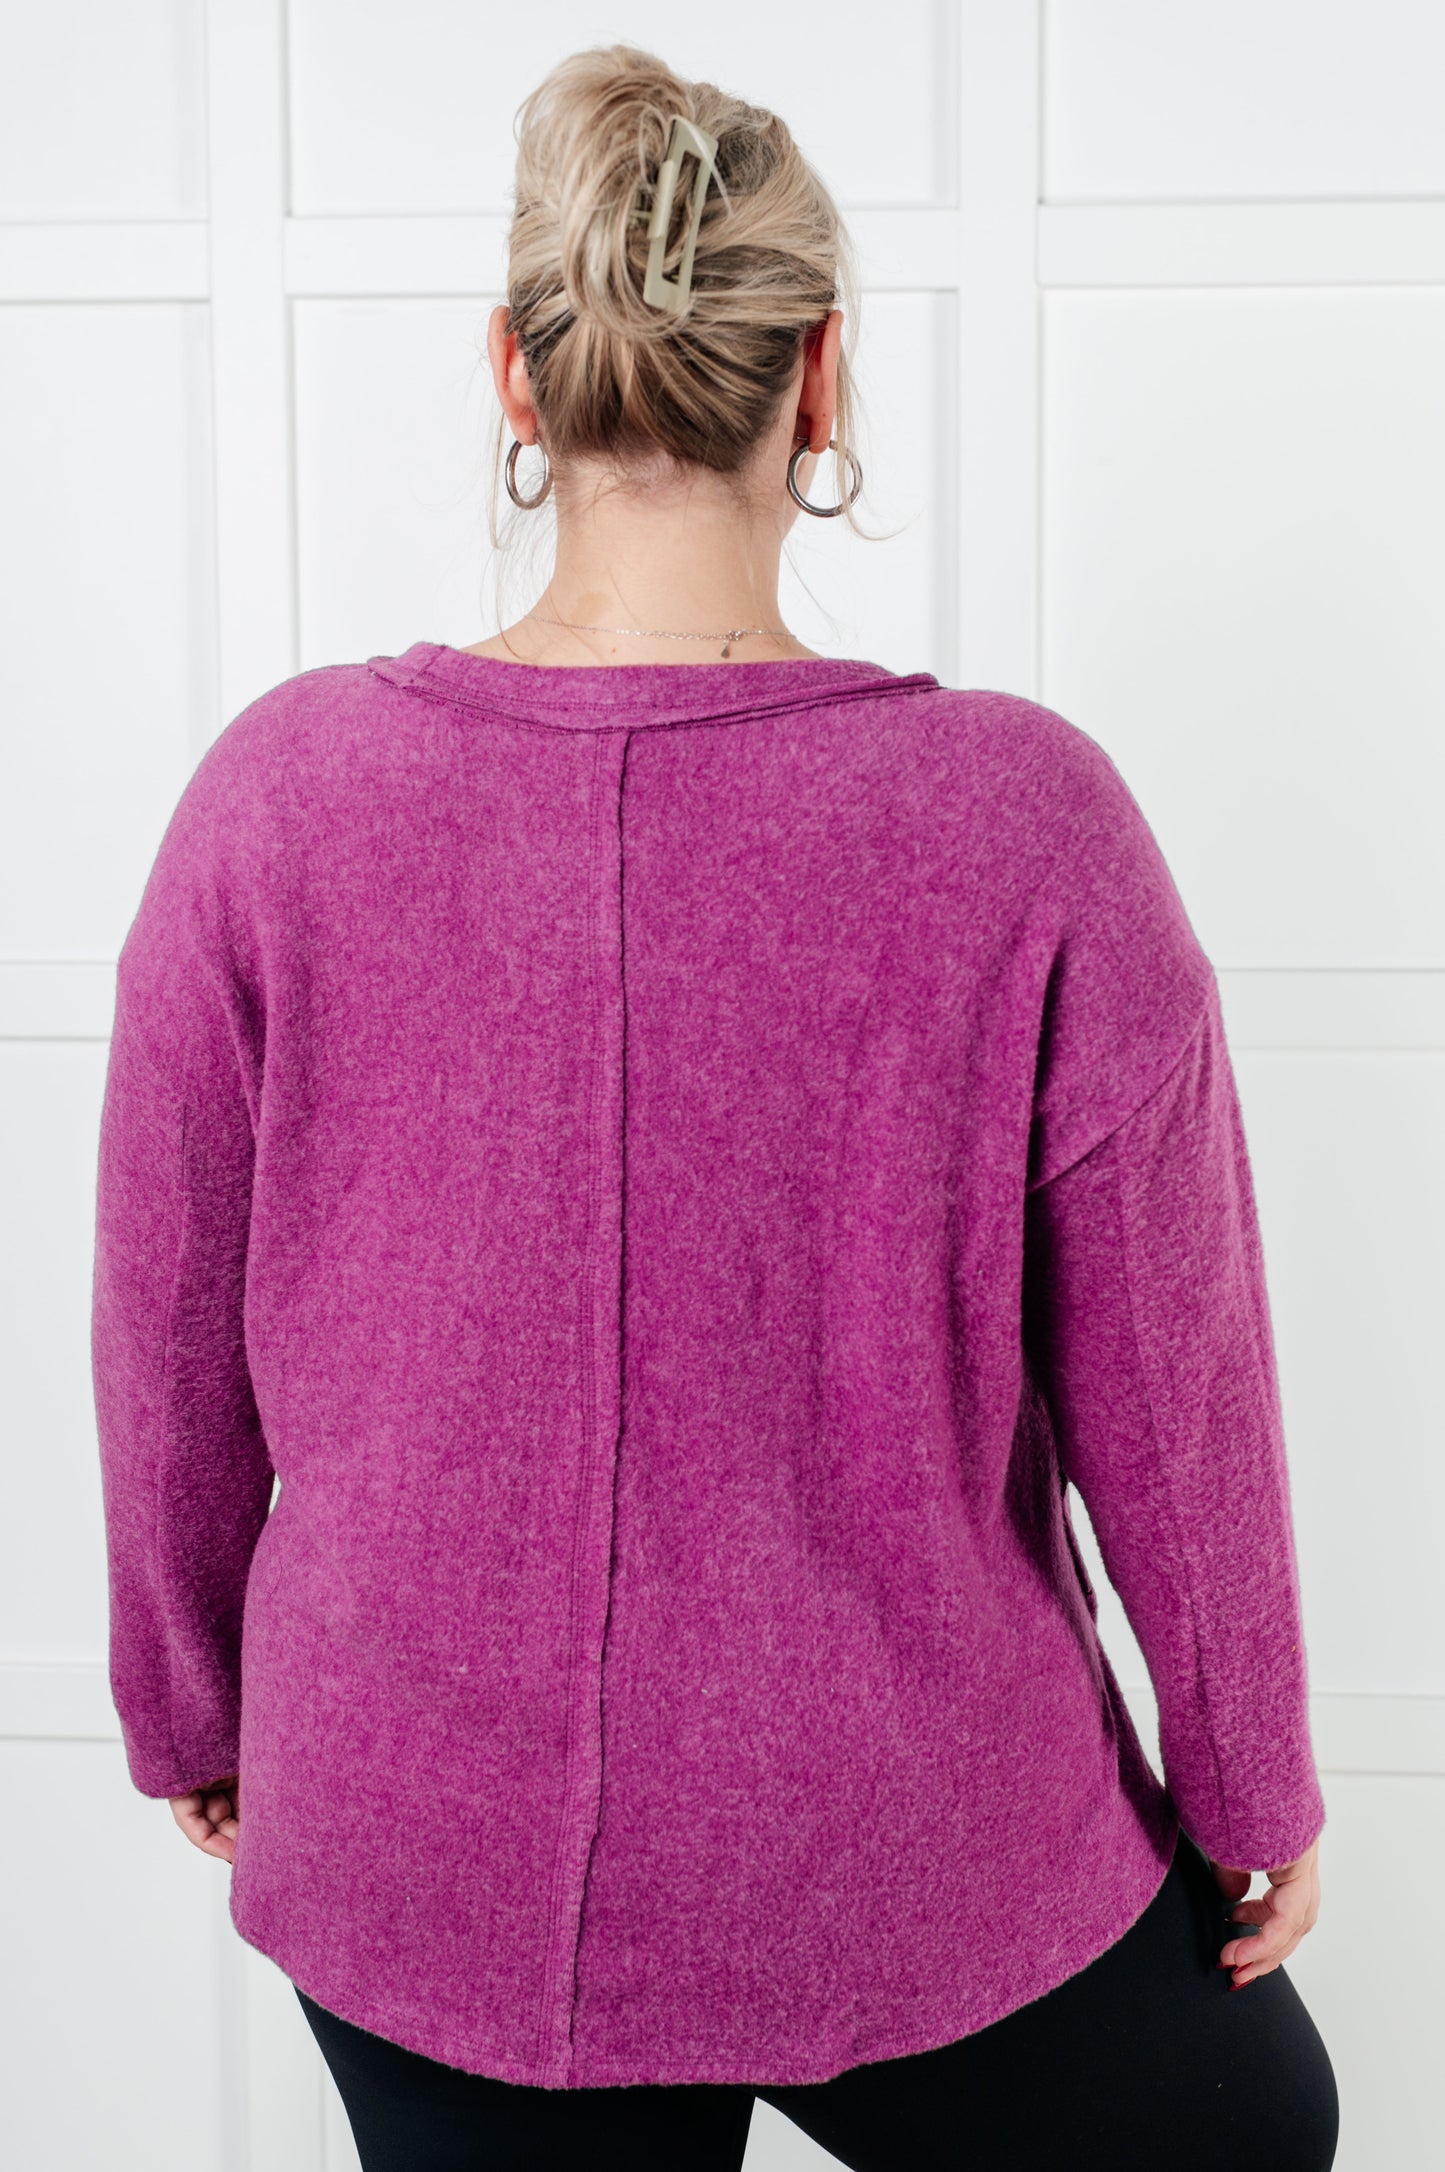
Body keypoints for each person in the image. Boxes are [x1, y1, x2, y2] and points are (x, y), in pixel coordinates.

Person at [92, 42, 1339, 2172]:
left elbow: (163, 1327)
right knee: (1255, 2128)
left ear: (516, 377)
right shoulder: (1024, 822)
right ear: (822, 377)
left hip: (421, 1834)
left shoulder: (275, 802)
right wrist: (1252, 1785)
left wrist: (190, 1704)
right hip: (912, 1838)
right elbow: (1175, 1386)